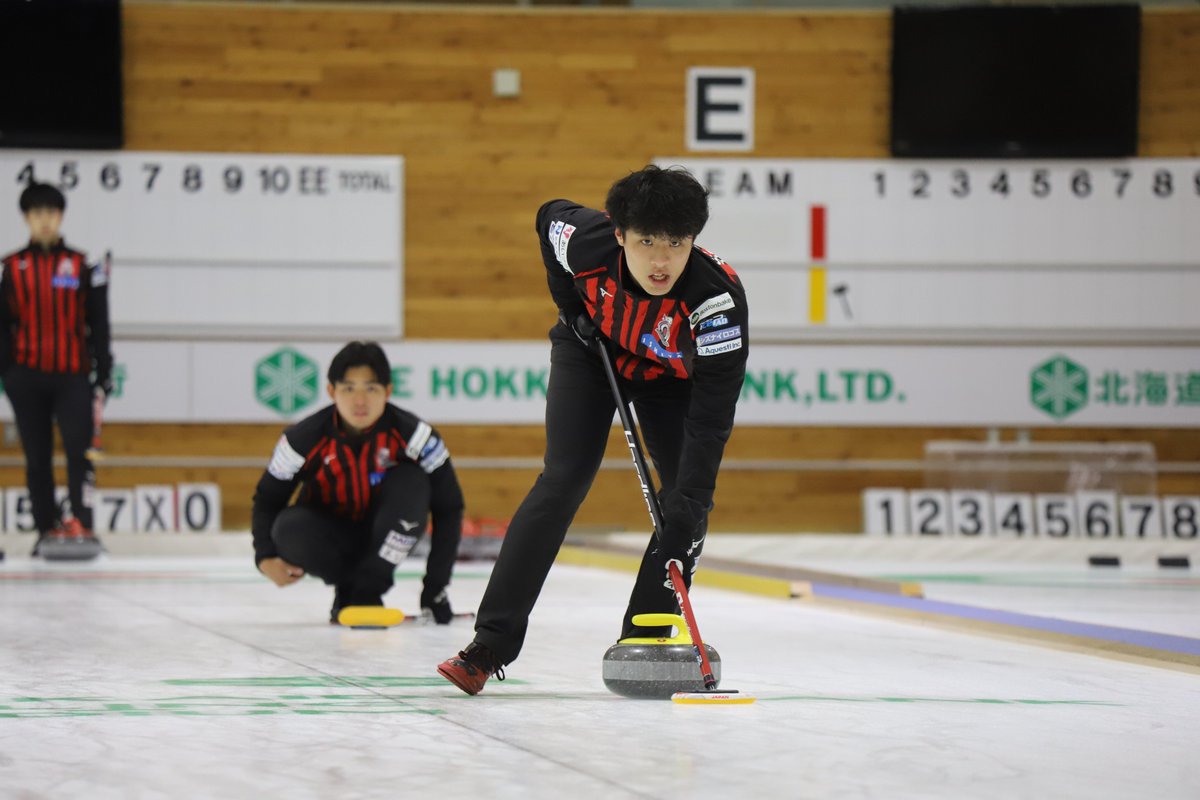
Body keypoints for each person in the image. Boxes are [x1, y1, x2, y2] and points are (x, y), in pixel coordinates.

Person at [438, 165, 748, 694]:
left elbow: (712, 417)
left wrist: (691, 503)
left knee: (685, 504)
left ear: (693, 241)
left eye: (675, 244)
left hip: (671, 378)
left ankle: (645, 636)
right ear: (619, 233)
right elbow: (546, 219)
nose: (660, 261)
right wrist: (571, 306)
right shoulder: (587, 241)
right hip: (591, 353)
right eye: (646, 242)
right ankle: (488, 645)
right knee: (563, 479)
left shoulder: (716, 302)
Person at [251, 341, 466, 624]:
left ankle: (367, 587)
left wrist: (436, 588)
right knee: (288, 528)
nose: (360, 401)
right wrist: (264, 556)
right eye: (349, 388)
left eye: (371, 388)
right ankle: (351, 589)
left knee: (413, 482)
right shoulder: (300, 440)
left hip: (390, 532)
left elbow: (449, 507)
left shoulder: (418, 438)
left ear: (388, 391)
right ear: (332, 391)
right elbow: (268, 498)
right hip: (329, 535)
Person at [0, 182, 113, 557]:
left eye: (50, 212)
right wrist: (8, 371)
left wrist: (104, 369)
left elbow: (99, 322)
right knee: (37, 458)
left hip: (72, 376)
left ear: (60, 216)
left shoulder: (83, 265)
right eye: (37, 213)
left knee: (80, 453)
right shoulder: (9, 268)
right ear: (26, 218)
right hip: (26, 376)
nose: (44, 220)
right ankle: (45, 528)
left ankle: (83, 523)